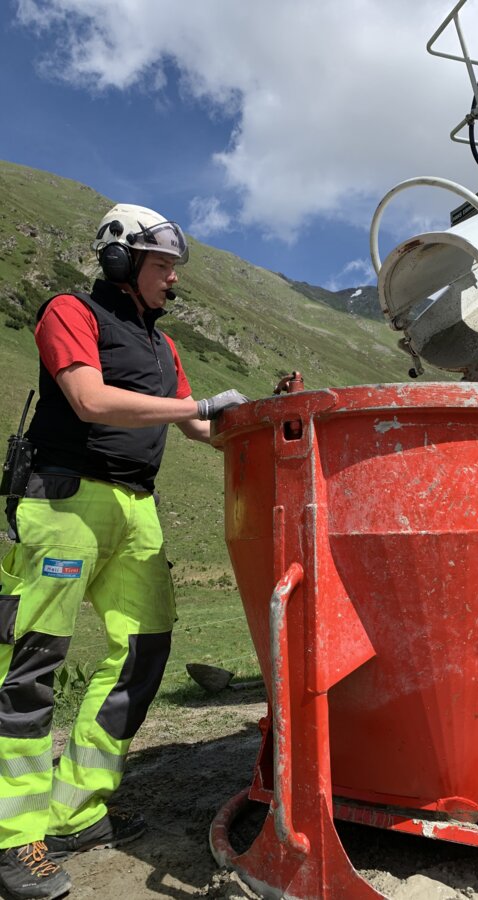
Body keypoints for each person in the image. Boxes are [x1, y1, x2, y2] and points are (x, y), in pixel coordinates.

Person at [0, 204, 246, 900]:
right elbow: (88, 399)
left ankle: (75, 811)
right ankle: (13, 837)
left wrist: (265, 424)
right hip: (62, 503)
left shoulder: (163, 349)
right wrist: (197, 408)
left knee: (143, 653)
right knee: (32, 668)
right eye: (162, 265)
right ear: (120, 260)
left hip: (137, 507)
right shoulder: (69, 311)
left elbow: (203, 432)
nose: (173, 279)